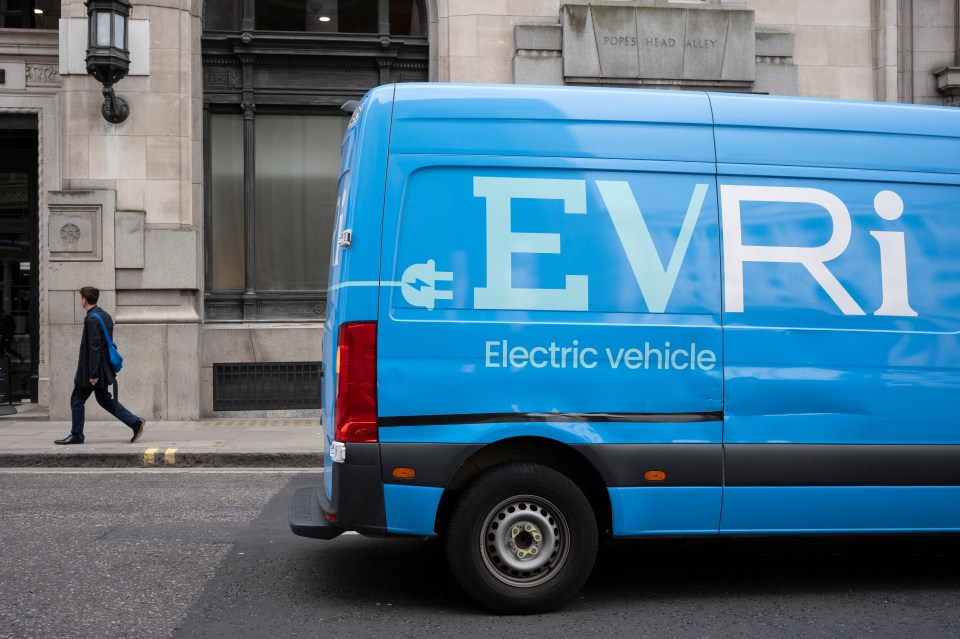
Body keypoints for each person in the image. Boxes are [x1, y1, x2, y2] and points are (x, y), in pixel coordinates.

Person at [54, 286, 145, 445]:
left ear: (84, 299)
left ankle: (77, 435)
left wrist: (93, 374)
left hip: (93, 369)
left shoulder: (92, 319)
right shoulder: (104, 315)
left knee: (77, 399)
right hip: (101, 367)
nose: (80, 300)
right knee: (104, 399)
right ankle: (134, 422)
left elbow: (95, 347)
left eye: (81, 298)